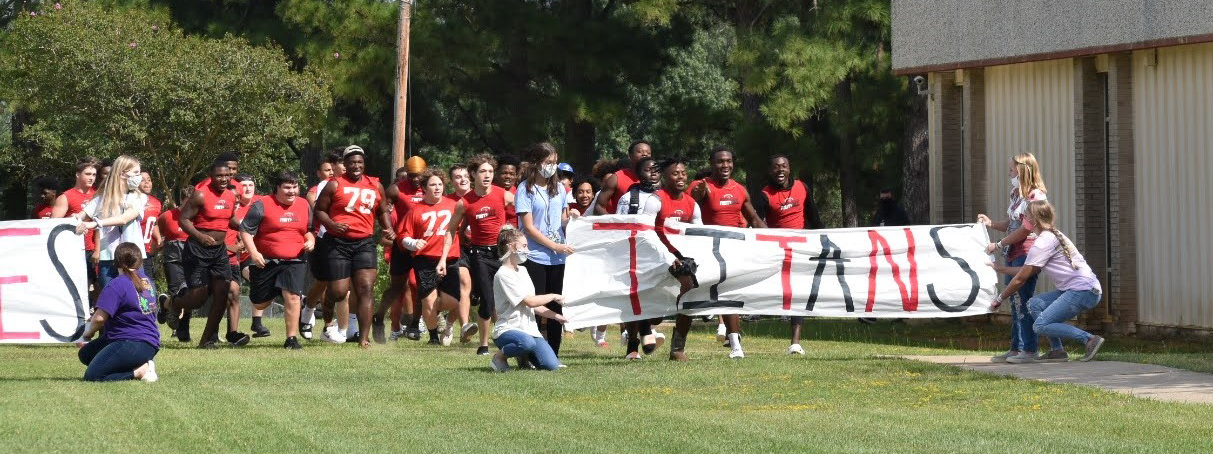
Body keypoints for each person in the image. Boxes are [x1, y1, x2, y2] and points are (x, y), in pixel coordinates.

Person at [977, 153, 1066, 363]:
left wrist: (998, 245)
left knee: (1023, 300)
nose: (1009, 174)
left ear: (1023, 171)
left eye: (1011, 170)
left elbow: (1025, 231)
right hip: (1013, 252)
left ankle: (1030, 349)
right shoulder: (1016, 194)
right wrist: (990, 224)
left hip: (1027, 252)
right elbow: (1011, 224)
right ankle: (1016, 348)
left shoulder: (1036, 197)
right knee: (1015, 301)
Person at [990, 201, 1105, 362]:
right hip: (1082, 289)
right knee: (1034, 304)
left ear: (1033, 221)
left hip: (1083, 291)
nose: (1023, 218)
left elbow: (1021, 279)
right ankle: (1057, 350)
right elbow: (1027, 271)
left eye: (1026, 216)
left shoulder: (1043, 242)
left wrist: (999, 299)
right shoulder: (1052, 235)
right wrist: (999, 268)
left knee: (1040, 326)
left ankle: (1089, 339)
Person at [689, 146, 767, 359]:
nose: (725, 165)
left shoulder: (739, 190)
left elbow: (753, 219)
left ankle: (735, 344)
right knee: (691, 294)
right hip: (705, 250)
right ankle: (673, 345)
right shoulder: (701, 186)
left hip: (732, 251)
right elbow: (687, 209)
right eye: (720, 162)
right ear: (711, 163)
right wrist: (697, 197)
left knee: (727, 293)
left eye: (729, 161)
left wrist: (774, 239)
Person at [314, 145, 394, 348]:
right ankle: (328, 316)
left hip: (364, 242)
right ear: (345, 164)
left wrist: (388, 228)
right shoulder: (334, 185)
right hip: (338, 243)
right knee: (339, 291)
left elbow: (382, 210)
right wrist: (332, 224)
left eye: (359, 162)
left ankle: (363, 339)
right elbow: (319, 211)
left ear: (364, 163)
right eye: (351, 162)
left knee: (366, 289)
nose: (356, 166)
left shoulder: (375, 185)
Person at [447, 154, 515, 355]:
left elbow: (525, 210)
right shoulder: (464, 203)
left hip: (502, 253)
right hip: (479, 254)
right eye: (483, 171)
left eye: (490, 172)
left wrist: (513, 231)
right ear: (473, 175)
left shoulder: (503, 194)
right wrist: (445, 257)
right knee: (487, 298)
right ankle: (483, 345)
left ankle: (506, 336)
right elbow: (451, 230)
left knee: (508, 298)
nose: (487, 175)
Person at [240, 170, 315, 350]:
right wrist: (254, 253)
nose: (292, 191)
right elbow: (245, 230)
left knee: (293, 297)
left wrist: (311, 240)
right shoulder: (262, 204)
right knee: (259, 302)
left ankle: (291, 339)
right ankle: (276, 290)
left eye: (295, 187)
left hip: (294, 260)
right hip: (267, 261)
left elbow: (308, 229)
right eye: (287, 188)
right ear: (277, 188)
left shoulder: (304, 204)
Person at [514, 142, 575, 356]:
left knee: (557, 305)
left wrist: (572, 220)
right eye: (548, 162)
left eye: (555, 162)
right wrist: (554, 245)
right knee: (536, 307)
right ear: (536, 163)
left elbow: (562, 220)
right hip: (535, 256)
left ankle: (553, 353)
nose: (552, 167)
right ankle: (531, 352)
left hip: (558, 259)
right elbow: (529, 228)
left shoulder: (559, 188)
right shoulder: (525, 189)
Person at [173, 159, 242, 349]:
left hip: (219, 252)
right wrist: (200, 236)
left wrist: (246, 227)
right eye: (219, 175)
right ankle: (174, 303)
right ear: (211, 177)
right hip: (197, 250)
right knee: (198, 298)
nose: (224, 179)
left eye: (227, 175)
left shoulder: (230, 196)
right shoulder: (200, 195)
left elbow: (230, 219)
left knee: (222, 292)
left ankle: (207, 340)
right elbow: (183, 220)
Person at [397, 169, 467, 345]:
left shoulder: (454, 204)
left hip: (450, 257)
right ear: (424, 188)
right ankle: (434, 336)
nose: (437, 188)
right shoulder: (416, 210)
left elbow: (465, 224)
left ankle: (435, 313)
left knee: (452, 301)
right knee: (428, 299)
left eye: (440, 184)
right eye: (432, 184)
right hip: (425, 259)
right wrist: (413, 243)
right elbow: (403, 235)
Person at [76, 242, 160, 382]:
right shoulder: (148, 281)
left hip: (130, 341)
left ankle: (139, 371)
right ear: (139, 261)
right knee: (86, 354)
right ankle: (135, 363)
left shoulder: (117, 284)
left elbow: (99, 319)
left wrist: (87, 333)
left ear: (116, 262)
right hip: (150, 343)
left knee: (93, 376)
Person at [488, 227, 567, 372]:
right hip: (509, 328)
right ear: (511, 247)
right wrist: (553, 296)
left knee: (552, 366)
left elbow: (534, 305)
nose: (527, 250)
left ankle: (523, 357)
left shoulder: (523, 271)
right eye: (524, 246)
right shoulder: (503, 274)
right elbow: (529, 301)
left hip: (530, 330)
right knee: (526, 342)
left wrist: (556, 316)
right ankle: (499, 357)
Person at [757, 155, 813, 354]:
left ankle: (795, 342)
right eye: (775, 167)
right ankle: (736, 335)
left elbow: (814, 216)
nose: (780, 170)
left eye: (784, 166)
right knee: (778, 290)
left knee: (797, 291)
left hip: (800, 249)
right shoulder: (764, 194)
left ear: (789, 169)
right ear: (770, 171)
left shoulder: (802, 187)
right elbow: (756, 222)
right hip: (775, 251)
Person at [614, 156, 669, 359]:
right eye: (648, 170)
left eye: (657, 169)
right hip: (636, 254)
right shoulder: (629, 198)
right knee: (636, 298)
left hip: (663, 254)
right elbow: (619, 227)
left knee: (656, 305)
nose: (653, 173)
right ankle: (633, 343)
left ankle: (648, 327)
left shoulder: (668, 196)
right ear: (639, 174)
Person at [373, 156, 427, 343]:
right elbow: (383, 209)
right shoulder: (396, 189)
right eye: (412, 176)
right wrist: (389, 230)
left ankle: (414, 325)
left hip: (423, 245)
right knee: (397, 288)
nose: (415, 179)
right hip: (402, 245)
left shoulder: (430, 186)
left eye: (419, 176)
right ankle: (378, 317)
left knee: (420, 286)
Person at [78, 155, 151, 291]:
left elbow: (124, 218)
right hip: (108, 257)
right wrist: (74, 222)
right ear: (122, 173)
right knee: (109, 297)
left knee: (136, 296)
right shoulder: (101, 198)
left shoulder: (140, 197)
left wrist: (95, 223)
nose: (139, 177)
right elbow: (80, 216)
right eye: (135, 173)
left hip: (133, 257)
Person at [302, 149, 347, 340]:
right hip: (324, 239)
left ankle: (344, 330)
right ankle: (309, 310)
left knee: (345, 287)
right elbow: (319, 212)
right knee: (323, 283)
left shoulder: (360, 186)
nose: (348, 167)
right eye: (344, 164)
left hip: (348, 242)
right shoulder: (323, 187)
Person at [53, 158, 99, 303]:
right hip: (73, 250)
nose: (91, 177)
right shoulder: (66, 197)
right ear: (78, 175)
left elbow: (101, 224)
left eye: (94, 174)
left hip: (94, 250)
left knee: (99, 286)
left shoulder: (98, 195)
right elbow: (54, 228)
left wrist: (97, 250)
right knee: (77, 288)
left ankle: (99, 319)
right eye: (87, 174)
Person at [158, 187, 192, 339]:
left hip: (192, 257)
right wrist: (158, 242)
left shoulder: (198, 217)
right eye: (188, 202)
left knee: (190, 293)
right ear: (181, 200)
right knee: (178, 292)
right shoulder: (168, 216)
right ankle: (167, 304)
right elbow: (157, 228)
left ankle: (183, 328)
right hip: (172, 258)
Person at [594, 140, 652, 215]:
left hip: (647, 225)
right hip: (622, 225)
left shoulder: (655, 180)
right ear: (630, 155)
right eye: (640, 151)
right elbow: (599, 207)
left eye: (648, 153)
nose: (645, 154)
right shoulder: (616, 178)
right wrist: (615, 223)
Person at [138, 171, 163, 292]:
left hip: (147, 250)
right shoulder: (131, 200)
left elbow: (154, 223)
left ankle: (152, 309)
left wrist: (158, 238)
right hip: (133, 249)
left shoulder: (156, 202)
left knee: (148, 282)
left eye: (149, 179)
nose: (147, 183)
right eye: (143, 180)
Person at [494, 154, 521, 228]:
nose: (508, 176)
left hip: (515, 235)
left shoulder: (520, 193)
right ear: (496, 173)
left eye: (511, 174)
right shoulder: (489, 191)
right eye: (504, 173)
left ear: (516, 175)